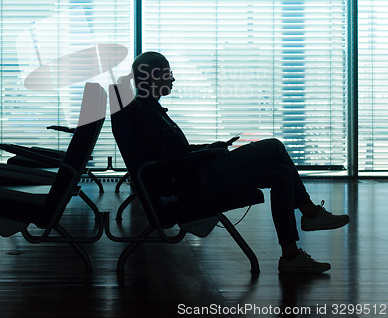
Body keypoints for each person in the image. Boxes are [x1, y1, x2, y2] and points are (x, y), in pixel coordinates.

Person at [128, 51, 350, 274]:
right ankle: (310, 213)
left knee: (281, 173)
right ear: (154, 76)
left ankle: (291, 255)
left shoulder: (148, 111)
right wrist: (208, 154)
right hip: (195, 182)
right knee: (273, 146)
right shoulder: (146, 114)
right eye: (168, 73)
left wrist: (210, 148)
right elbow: (168, 163)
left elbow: (174, 155)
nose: (172, 79)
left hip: (195, 175)